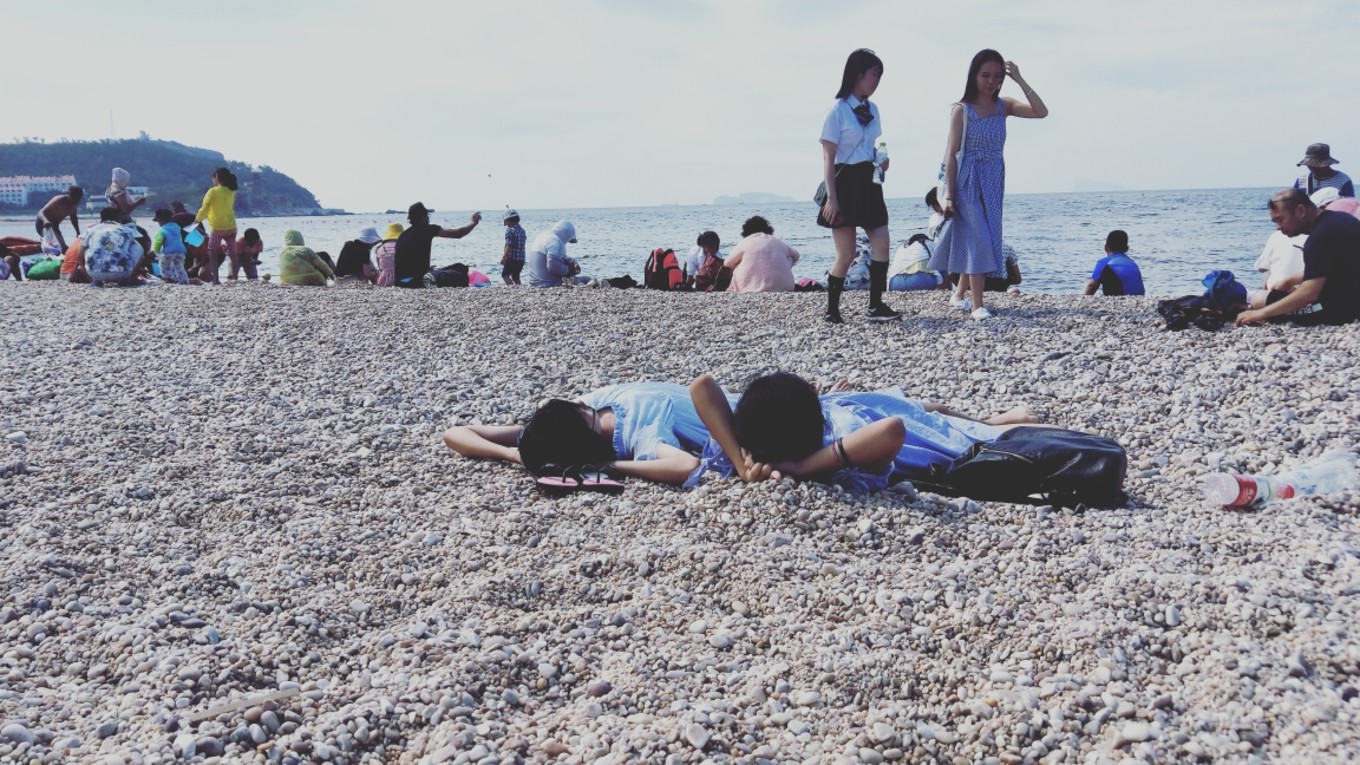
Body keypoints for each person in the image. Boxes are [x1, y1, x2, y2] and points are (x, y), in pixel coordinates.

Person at [689, 372, 1045, 493]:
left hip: (844, 410)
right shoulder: (840, 460)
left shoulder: (749, 445)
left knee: (925, 408)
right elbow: (892, 429)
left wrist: (743, 464)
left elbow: (702, 385)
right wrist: (801, 468)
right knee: (935, 420)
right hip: (856, 419)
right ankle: (996, 422)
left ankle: (993, 418)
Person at [929, 49, 1048, 320]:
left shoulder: (1004, 106)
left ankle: (958, 294)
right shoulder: (962, 110)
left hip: (994, 179)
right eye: (985, 75)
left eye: (997, 76)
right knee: (979, 237)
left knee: (980, 235)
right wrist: (949, 196)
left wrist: (1019, 78)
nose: (992, 81)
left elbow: (1041, 112)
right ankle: (977, 305)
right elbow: (951, 154)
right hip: (968, 179)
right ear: (974, 75)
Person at [443, 382, 726, 487]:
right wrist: (514, 454)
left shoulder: (638, 431)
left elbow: (686, 465)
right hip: (726, 399)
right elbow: (454, 434)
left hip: (734, 416)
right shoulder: (592, 404)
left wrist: (611, 465)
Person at [817, 48, 898, 323]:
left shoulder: (873, 109)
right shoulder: (836, 111)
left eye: (879, 76)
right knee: (847, 253)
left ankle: (876, 305)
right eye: (874, 75)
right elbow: (828, 159)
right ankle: (832, 310)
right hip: (844, 183)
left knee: (882, 241)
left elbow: (869, 146)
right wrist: (831, 198)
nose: (876, 81)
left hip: (869, 180)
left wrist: (880, 159)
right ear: (858, 74)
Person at [1237, 188, 1360, 326]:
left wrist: (1262, 313)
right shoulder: (1340, 219)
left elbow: (1309, 294)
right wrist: (1291, 279)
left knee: (1260, 300)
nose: (1278, 227)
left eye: (1280, 219)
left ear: (1300, 211)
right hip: (1351, 295)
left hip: (1343, 309)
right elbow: (1336, 265)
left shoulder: (1318, 239)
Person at [393, 203, 481, 288]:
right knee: (460, 270)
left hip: (400, 282)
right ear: (422, 217)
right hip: (418, 282)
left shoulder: (402, 235)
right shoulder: (429, 229)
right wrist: (474, 223)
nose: (428, 218)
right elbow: (458, 234)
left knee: (454, 268)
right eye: (427, 215)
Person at [724, 216, 800, 293]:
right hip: (786, 287)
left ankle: (738, 287)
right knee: (788, 257)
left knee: (738, 262)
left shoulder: (745, 242)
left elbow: (727, 263)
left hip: (749, 287)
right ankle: (780, 279)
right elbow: (796, 255)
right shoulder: (777, 241)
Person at [194, 167, 238, 284]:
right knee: (233, 252)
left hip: (217, 227)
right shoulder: (231, 191)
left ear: (217, 177)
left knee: (212, 252)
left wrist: (197, 220)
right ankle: (235, 278)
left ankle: (216, 279)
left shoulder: (213, 192)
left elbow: (205, 208)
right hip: (231, 225)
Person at [83, 207, 145, 286]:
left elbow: (79, 255)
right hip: (123, 273)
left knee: (87, 246)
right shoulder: (127, 230)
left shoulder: (91, 230)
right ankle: (129, 278)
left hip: (94, 273)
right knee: (137, 246)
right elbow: (111, 247)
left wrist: (88, 274)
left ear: (101, 218)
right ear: (118, 218)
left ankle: (96, 281)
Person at [105, 168, 152, 257]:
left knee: (112, 240)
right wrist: (138, 202)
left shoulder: (110, 190)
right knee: (143, 237)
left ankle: (109, 254)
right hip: (122, 222)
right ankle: (143, 257)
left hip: (112, 220)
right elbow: (126, 209)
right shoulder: (118, 192)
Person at [527, 220, 587, 288]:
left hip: (533, 282)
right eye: (568, 239)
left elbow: (560, 257)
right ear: (565, 234)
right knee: (586, 279)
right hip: (548, 282)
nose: (566, 242)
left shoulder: (543, 236)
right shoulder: (554, 241)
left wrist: (573, 262)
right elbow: (552, 266)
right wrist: (569, 270)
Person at [1084, 231, 1144, 296]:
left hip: (1119, 296)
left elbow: (1091, 286)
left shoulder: (1104, 262)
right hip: (1139, 297)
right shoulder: (1133, 264)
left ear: (1106, 248)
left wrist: (1086, 298)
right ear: (1127, 249)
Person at [36, 186, 83, 253]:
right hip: (43, 224)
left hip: (55, 226)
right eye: (74, 198)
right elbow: (41, 212)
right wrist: (45, 220)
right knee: (58, 248)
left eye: (78, 199)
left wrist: (78, 232)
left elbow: (73, 218)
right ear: (69, 194)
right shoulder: (59, 200)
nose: (76, 201)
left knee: (64, 248)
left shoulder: (74, 205)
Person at [151, 209, 189, 284]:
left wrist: (155, 251)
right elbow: (179, 239)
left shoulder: (161, 231)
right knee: (179, 267)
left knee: (164, 265)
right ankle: (183, 280)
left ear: (159, 220)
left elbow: (158, 242)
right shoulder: (177, 228)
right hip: (180, 251)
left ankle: (167, 278)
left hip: (169, 252)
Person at [500, 209, 527, 285]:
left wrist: (504, 257)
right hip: (521, 259)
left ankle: (511, 288)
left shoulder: (510, 231)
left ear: (508, 220)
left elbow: (509, 245)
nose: (505, 224)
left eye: (505, 221)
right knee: (516, 277)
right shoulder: (522, 230)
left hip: (512, 258)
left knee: (505, 275)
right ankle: (519, 288)